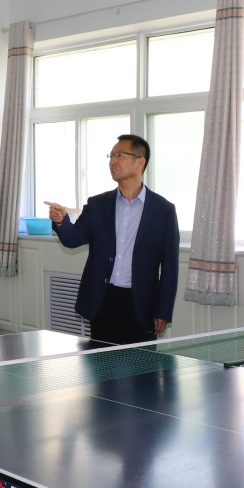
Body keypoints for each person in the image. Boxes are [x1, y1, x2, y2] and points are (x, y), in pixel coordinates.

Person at [46, 134, 179, 345]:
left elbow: (170, 267)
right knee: (100, 362)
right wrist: (62, 221)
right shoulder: (98, 204)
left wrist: (163, 310)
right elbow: (73, 239)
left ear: (140, 162)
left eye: (119, 155)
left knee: (141, 364)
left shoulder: (163, 210)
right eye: (111, 156)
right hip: (103, 300)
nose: (113, 161)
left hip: (141, 303)